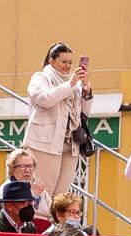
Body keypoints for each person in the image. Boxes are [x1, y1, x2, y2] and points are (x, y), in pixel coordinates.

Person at [23, 43, 92, 199]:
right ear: (52, 60)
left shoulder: (75, 83)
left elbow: (85, 112)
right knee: (43, 190)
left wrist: (86, 90)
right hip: (45, 143)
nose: (67, 66)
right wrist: (71, 84)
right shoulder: (41, 77)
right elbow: (44, 99)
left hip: (71, 143)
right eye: (63, 62)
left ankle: (57, 223)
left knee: (62, 195)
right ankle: (40, 223)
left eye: (70, 62)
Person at [3, 147, 52, 218]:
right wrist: (33, 195)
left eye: (31, 166)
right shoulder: (7, 189)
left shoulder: (38, 187)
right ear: (12, 168)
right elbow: (18, 215)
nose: (27, 170)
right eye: (22, 166)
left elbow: (51, 211)